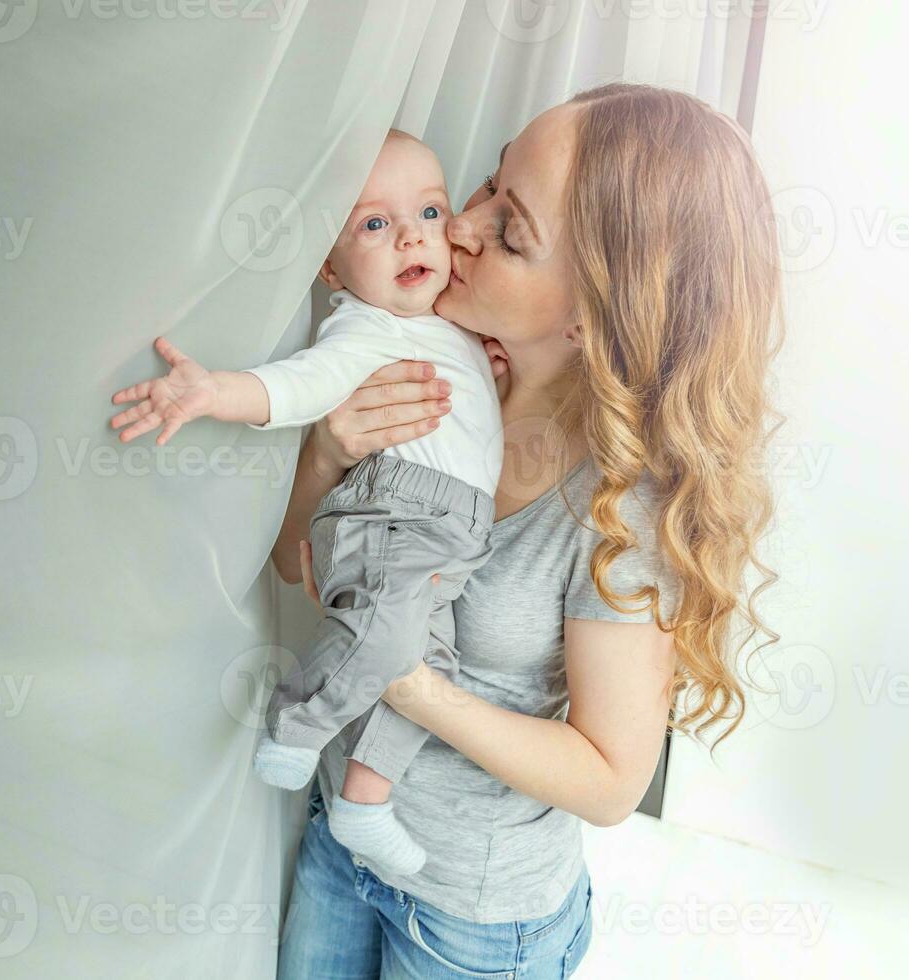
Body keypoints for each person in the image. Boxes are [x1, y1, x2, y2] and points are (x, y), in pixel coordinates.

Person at [271, 83, 783, 979]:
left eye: (510, 232)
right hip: (337, 841)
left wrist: (406, 682)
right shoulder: (423, 370)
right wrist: (323, 456)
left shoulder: (621, 509)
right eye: (484, 187)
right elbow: (289, 569)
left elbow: (611, 778)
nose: (457, 229)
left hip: (473, 920)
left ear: (596, 312)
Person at [109, 130, 506, 875]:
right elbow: (296, 386)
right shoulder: (365, 331)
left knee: (435, 676)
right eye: (375, 225)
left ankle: (364, 798)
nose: (410, 237)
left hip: (455, 539)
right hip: (401, 518)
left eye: (428, 212)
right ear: (333, 267)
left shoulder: (449, 326)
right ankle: (297, 723)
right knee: (386, 643)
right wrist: (211, 393)